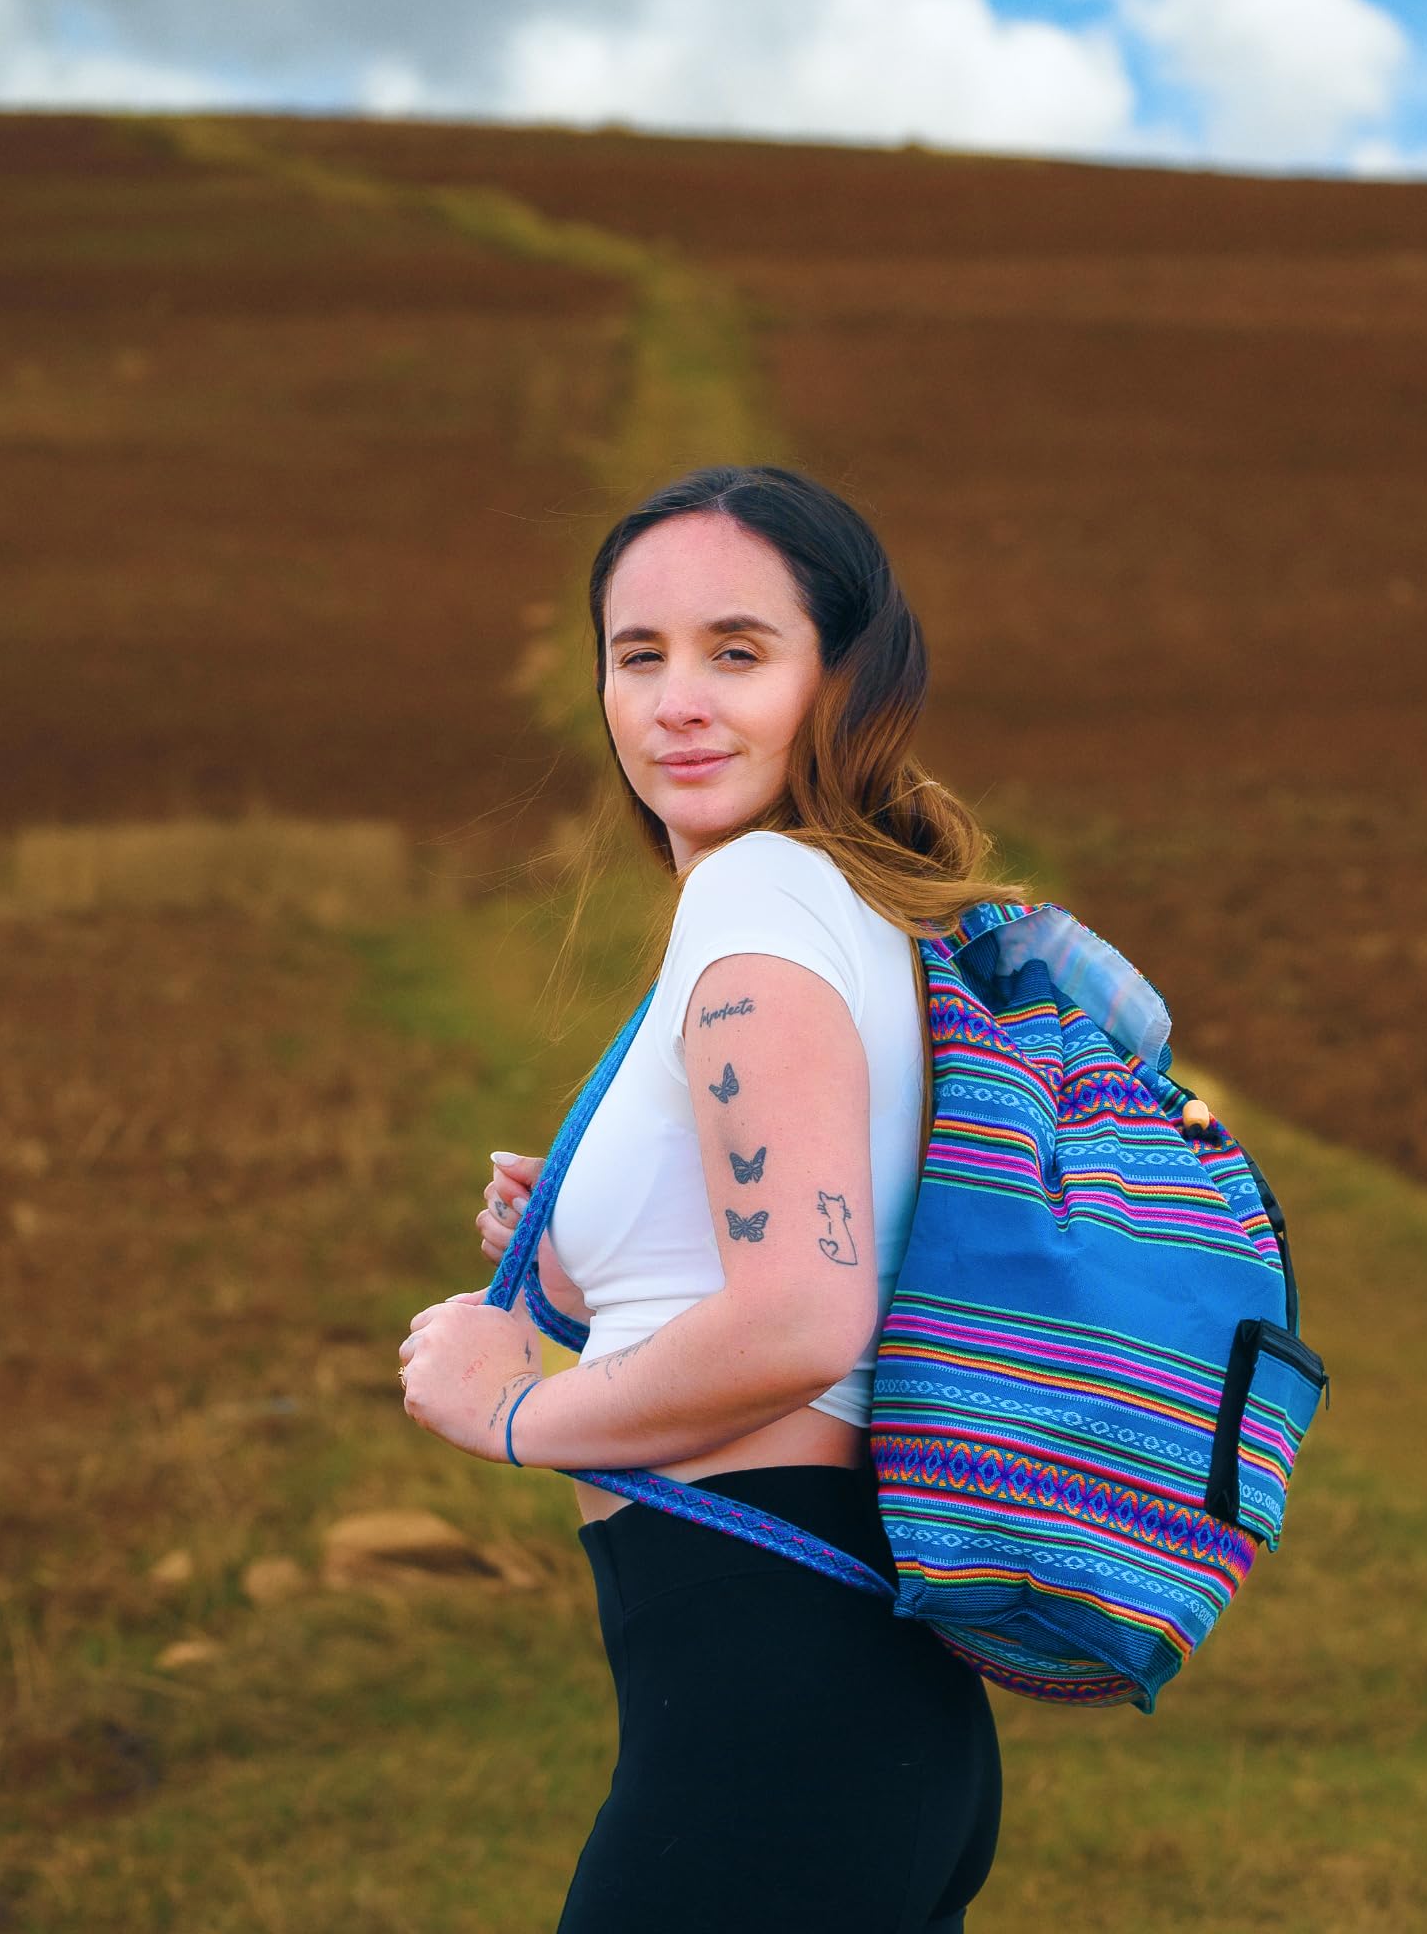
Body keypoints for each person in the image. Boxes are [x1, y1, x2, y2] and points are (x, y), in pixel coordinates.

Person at [396, 464, 1030, 1933]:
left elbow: (803, 1313)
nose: (677, 701)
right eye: (640, 656)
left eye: (738, 653)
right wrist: (568, 1260)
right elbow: (787, 1238)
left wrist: (509, 1409)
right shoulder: (857, 910)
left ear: (840, 682)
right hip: (842, 1713)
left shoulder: (758, 904)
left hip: (773, 1719)